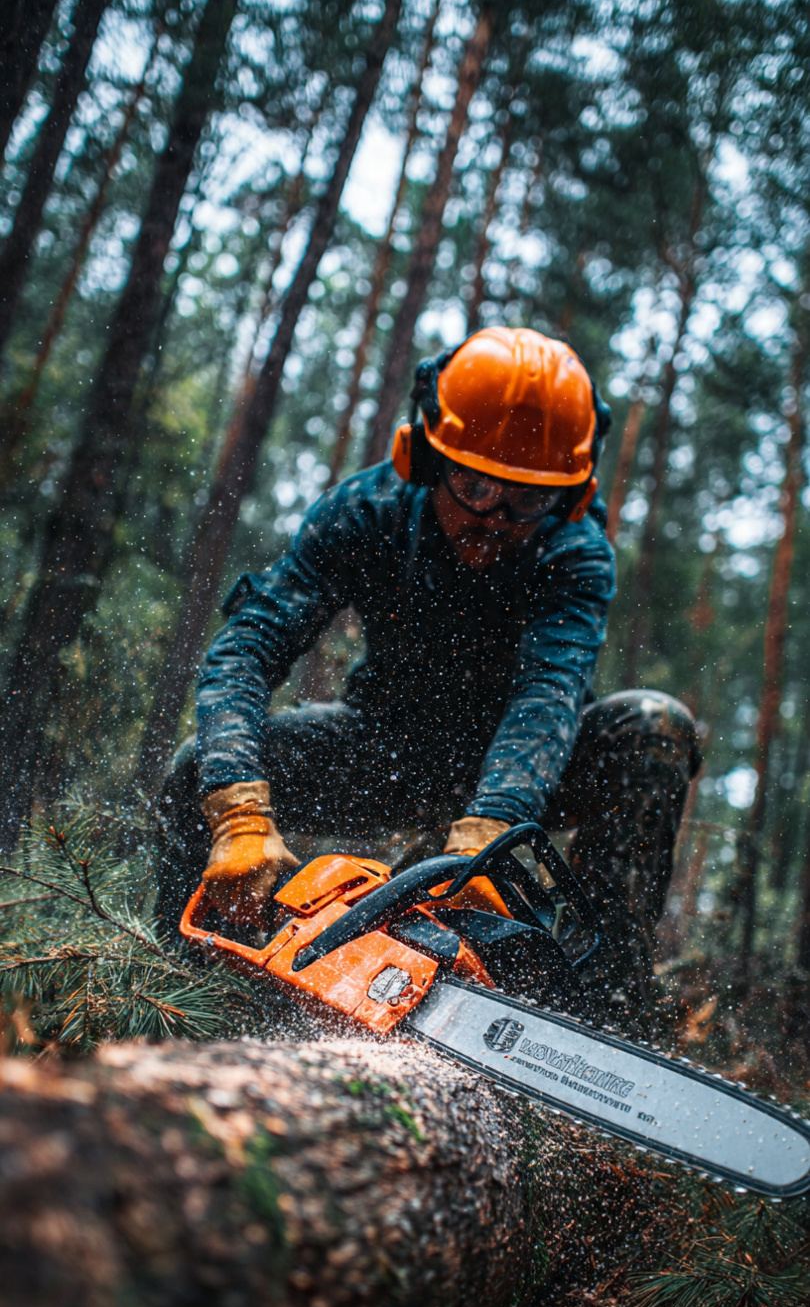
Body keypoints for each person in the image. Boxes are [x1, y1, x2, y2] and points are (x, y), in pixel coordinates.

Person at [156, 326, 700, 1019]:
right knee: (193, 771)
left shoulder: (575, 553)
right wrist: (239, 810)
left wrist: (493, 829)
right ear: (425, 457)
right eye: (474, 486)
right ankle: (188, 992)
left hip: (523, 770)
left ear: (565, 494)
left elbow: (548, 693)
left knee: (653, 727)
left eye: (525, 501)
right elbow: (246, 648)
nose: (496, 518)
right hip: (384, 747)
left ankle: (600, 1013)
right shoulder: (366, 512)